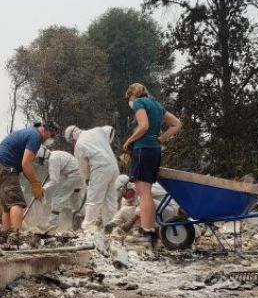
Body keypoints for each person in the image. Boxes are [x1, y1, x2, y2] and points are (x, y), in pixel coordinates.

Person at [121, 83, 182, 245]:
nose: (130, 104)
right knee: (146, 192)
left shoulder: (140, 103)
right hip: (155, 151)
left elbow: (144, 126)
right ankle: (150, 231)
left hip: (143, 150)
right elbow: (177, 124)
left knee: (144, 193)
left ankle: (147, 232)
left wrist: (129, 140)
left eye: (129, 99)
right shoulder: (156, 105)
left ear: (132, 95)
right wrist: (161, 139)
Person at [0, 122, 59, 230]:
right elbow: (26, 164)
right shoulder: (35, 137)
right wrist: (36, 184)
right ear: (45, 130)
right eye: (52, 135)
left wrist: (33, 182)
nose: (52, 139)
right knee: (17, 203)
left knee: (7, 207)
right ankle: (17, 236)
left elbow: (25, 165)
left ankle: (6, 233)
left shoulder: (29, 132)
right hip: (6, 167)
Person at [65, 124, 120, 233]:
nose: (73, 144)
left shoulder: (79, 145)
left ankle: (87, 228)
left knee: (93, 200)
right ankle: (111, 229)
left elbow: (83, 167)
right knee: (110, 201)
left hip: (100, 169)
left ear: (72, 138)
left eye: (72, 142)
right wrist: (104, 146)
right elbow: (110, 129)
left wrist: (87, 178)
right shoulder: (97, 131)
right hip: (114, 167)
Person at [36, 146, 85, 232]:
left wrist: (42, 188)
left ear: (42, 156)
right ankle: (80, 223)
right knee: (75, 202)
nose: (40, 161)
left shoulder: (52, 160)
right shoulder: (56, 154)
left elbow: (54, 180)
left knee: (57, 198)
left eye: (39, 159)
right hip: (79, 175)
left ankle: (52, 223)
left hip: (74, 175)